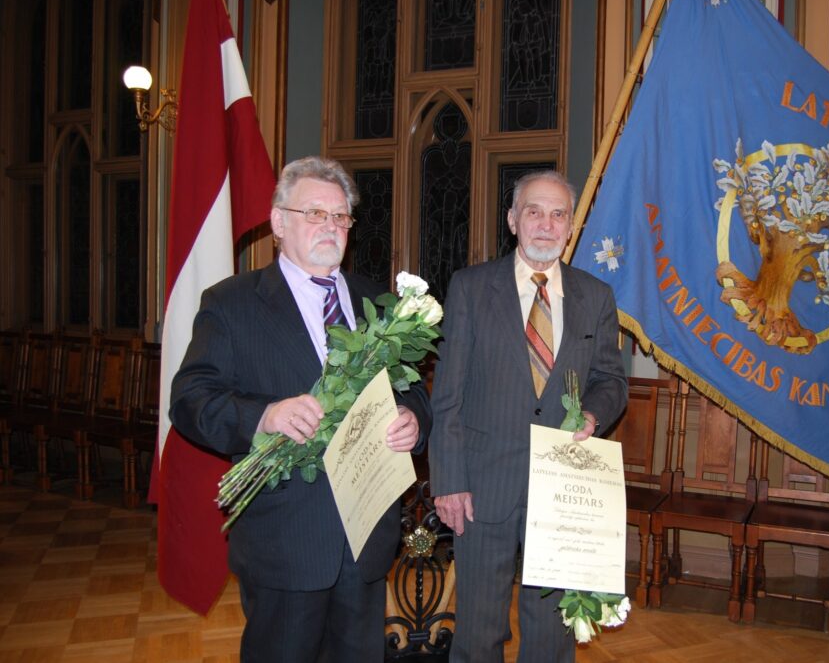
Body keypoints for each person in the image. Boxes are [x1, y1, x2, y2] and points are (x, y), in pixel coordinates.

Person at [170, 156, 431, 662]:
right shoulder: (232, 302)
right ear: (278, 222)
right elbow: (189, 399)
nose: (330, 227)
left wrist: (414, 419)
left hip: (366, 537)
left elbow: (416, 388)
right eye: (315, 214)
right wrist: (264, 416)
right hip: (285, 543)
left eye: (340, 217)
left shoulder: (375, 300)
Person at [429, 170, 627, 662]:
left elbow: (612, 380)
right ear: (513, 220)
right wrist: (448, 479)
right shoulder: (471, 288)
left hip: (562, 492)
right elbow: (447, 394)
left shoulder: (594, 296)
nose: (545, 224)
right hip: (481, 485)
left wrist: (593, 417)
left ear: (571, 226)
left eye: (558, 214)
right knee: (477, 631)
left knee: (549, 635)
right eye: (534, 211)